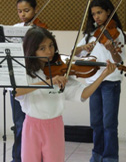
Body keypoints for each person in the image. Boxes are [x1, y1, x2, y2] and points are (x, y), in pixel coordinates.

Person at [14, 26, 116, 162]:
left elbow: (83, 94)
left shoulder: (61, 71)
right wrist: (48, 82)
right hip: (31, 126)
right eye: (42, 48)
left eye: (51, 46)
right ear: (32, 50)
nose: (49, 51)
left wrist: (102, 76)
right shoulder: (25, 72)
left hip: (54, 126)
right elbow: (16, 91)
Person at [74, 0, 126, 162]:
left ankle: (110, 157)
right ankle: (97, 155)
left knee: (109, 124)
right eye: (94, 14)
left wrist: (112, 50)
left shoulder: (115, 32)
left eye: (99, 13)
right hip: (93, 82)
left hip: (110, 82)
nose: (96, 16)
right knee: (96, 123)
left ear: (108, 12)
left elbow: (119, 60)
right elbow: (76, 53)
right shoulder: (91, 35)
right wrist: (84, 47)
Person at [10, 0, 48, 162]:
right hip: (17, 80)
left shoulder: (41, 30)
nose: (23, 15)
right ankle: (18, 158)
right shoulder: (14, 29)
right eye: (20, 11)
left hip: (33, 80)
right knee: (19, 124)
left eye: (27, 10)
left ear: (35, 10)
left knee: (32, 126)